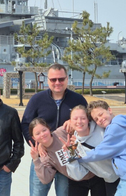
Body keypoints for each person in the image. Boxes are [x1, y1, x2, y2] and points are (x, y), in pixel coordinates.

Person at [22, 63, 88, 196]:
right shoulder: (37, 99)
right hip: (43, 156)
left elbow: (88, 122)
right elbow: (25, 124)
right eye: (53, 79)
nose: (57, 82)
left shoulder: (78, 100)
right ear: (48, 80)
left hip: (67, 156)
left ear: (67, 79)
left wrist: (74, 121)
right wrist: (37, 144)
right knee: (37, 193)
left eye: (61, 79)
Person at [78, 100, 126, 196]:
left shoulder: (115, 128)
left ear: (109, 110)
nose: (99, 119)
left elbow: (100, 152)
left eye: (101, 114)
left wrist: (78, 157)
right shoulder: (120, 124)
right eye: (96, 119)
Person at [62, 105, 119, 196]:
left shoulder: (101, 128)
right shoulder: (73, 145)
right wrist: (70, 154)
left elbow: (123, 135)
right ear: (70, 121)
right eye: (75, 119)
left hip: (125, 173)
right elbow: (78, 175)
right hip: (110, 180)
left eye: (83, 118)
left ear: (88, 119)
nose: (79, 122)